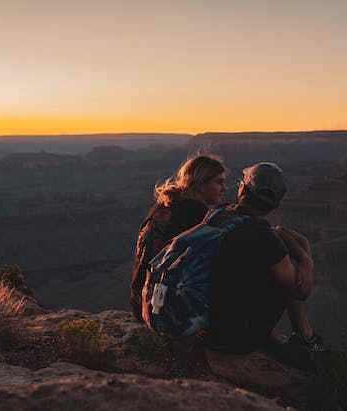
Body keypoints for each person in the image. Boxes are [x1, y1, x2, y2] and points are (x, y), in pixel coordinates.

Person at [206, 162, 322, 367]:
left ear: (242, 189)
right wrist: (305, 257)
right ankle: (306, 337)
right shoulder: (262, 236)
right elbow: (301, 290)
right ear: (274, 204)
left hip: (203, 323)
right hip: (231, 339)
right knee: (287, 272)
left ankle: (301, 337)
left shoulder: (218, 214)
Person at [130, 155, 227, 321]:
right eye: (218, 182)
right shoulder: (195, 212)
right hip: (162, 310)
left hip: (141, 302)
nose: (224, 188)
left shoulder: (164, 205)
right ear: (201, 183)